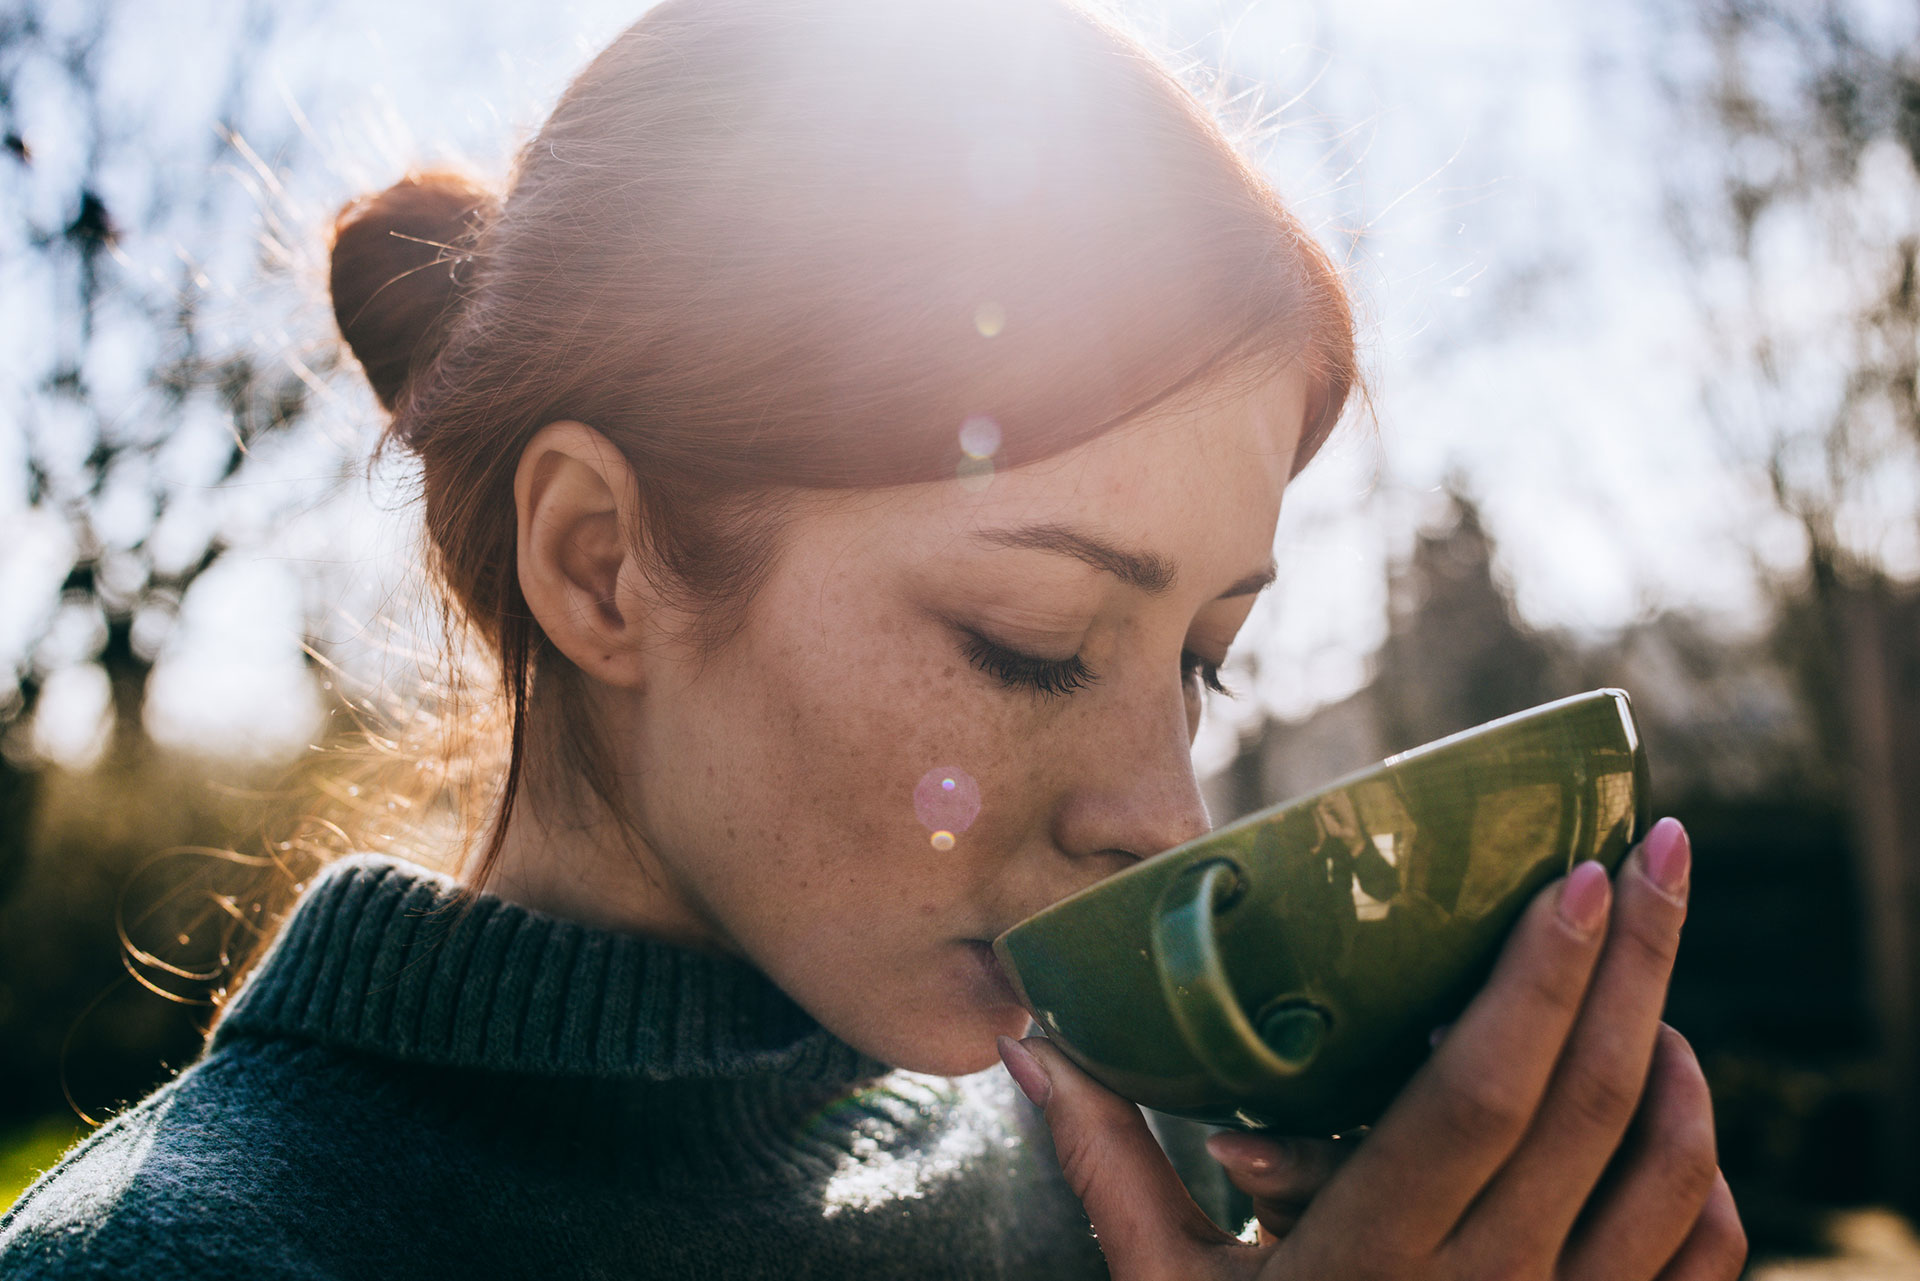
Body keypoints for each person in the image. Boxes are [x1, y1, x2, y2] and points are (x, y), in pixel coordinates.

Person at [0, 0, 1747, 1276]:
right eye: (1034, 638)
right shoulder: (174, 1265)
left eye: (1203, 659)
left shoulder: (1131, 1202)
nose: (1166, 813)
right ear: (600, 564)